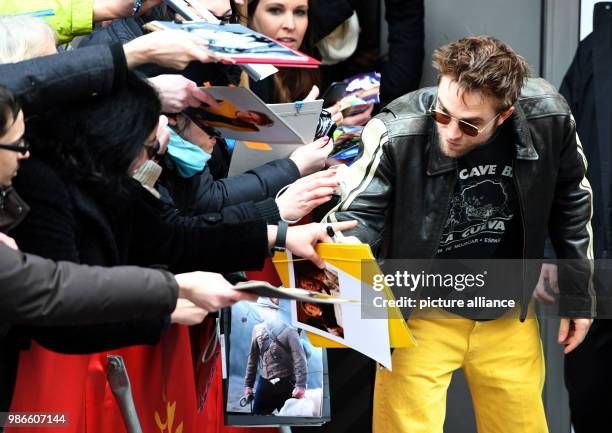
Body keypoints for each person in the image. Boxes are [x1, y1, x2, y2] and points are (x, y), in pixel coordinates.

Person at [324, 36, 594, 432]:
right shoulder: (396, 129)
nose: (450, 132)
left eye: (469, 124)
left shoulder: (549, 118)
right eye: (442, 114)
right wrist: (348, 255)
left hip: (506, 309)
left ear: (504, 115)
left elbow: (572, 196)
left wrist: (577, 289)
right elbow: (359, 214)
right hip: (419, 311)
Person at [243, 298, 307, 414]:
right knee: (256, 418)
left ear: (274, 310)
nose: (261, 311)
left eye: (264, 308)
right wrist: (248, 385)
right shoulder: (257, 330)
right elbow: (252, 359)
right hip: (265, 384)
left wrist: (301, 385)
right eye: (260, 308)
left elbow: (300, 360)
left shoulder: (290, 332)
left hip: (287, 385)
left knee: (288, 418)